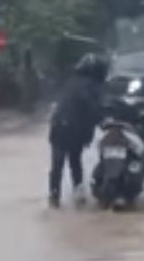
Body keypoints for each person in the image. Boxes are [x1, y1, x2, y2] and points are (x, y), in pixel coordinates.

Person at [47, 53, 110, 208]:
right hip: (74, 131)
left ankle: (54, 197)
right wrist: (104, 119)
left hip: (58, 128)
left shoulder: (71, 82)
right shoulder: (92, 86)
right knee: (75, 162)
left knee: (58, 164)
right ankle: (78, 194)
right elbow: (95, 108)